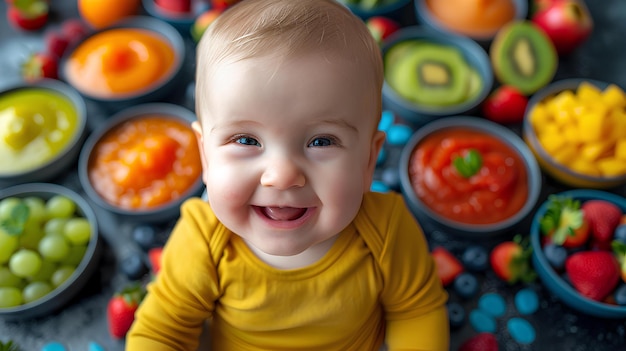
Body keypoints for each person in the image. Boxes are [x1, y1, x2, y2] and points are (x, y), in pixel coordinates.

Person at [126, 0, 449, 350]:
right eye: (247, 140)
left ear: (369, 159)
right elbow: (162, 332)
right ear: (205, 155)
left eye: (321, 141)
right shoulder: (204, 242)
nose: (281, 176)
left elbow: (417, 311)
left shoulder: (387, 232)